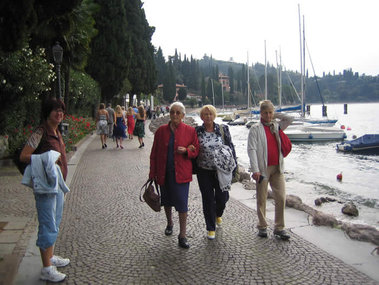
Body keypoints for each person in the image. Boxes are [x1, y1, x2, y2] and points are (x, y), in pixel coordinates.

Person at [19, 98, 70, 282]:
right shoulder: (41, 131)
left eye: (61, 111)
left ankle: (50, 256)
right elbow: (25, 155)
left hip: (57, 186)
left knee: (54, 223)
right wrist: (46, 157)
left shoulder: (57, 131)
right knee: (47, 225)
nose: (59, 114)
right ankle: (47, 268)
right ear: (48, 112)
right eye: (56, 110)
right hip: (45, 188)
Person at [149, 102, 199, 249]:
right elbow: (154, 154)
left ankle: (182, 235)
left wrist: (187, 151)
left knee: (182, 205)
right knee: (167, 201)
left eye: (178, 113)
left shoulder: (190, 131)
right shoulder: (160, 131)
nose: (175, 115)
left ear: (183, 115)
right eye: (172, 112)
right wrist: (152, 173)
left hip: (182, 174)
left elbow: (196, 150)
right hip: (163, 172)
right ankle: (169, 222)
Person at [247, 100, 294, 240]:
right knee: (261, 198)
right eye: (265, 113)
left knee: (281, 197)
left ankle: (279, 227)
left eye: (270, 113)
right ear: (261, 113)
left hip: (277, 168)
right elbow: (252, 149)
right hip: (263, 168)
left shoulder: (276, 126)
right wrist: (255, 170)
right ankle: (262, 226)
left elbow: (290, 118)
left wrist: (275, 114)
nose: (268, 115)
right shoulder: (255, 129)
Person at [195, 105, 237, 240]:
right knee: (208, 199)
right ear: (201, 117)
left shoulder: (223, 129)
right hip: (204, 170)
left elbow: (230, 147)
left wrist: (234, 167)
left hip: (221, 170)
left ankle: (218, 213)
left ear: (214, 115)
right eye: (205, 114)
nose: (208, 117)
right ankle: (210, 227)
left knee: (222, 198)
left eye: (210, 114)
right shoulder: (197, 131)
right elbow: (193, 147)